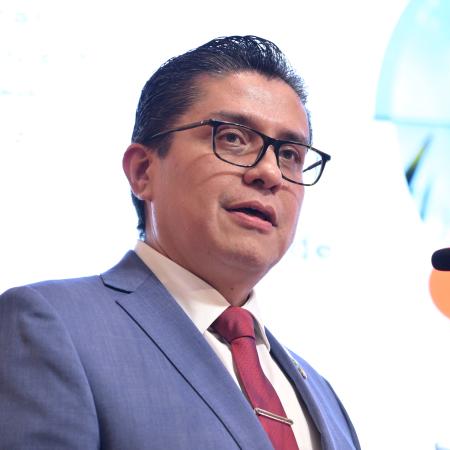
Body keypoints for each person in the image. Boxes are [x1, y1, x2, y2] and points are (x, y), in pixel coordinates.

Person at [0, 35, 360, 449]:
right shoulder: (52, 326)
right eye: (233, 138)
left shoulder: (321, 394)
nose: (270, 173)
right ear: (143, 171)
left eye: (290, 155)